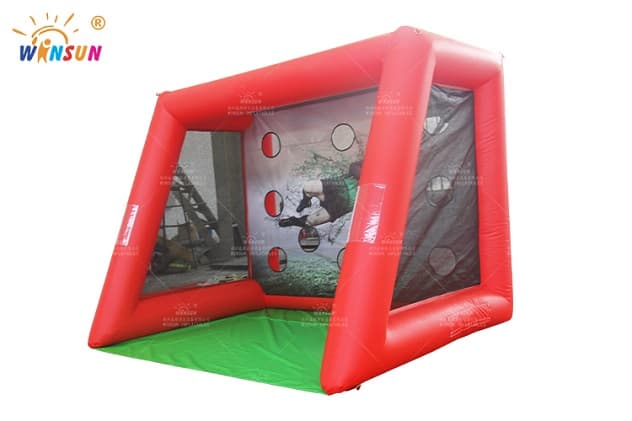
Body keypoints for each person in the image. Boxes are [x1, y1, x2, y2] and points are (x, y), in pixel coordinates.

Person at [279, 160, 362, 228]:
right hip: (342, 185)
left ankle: (294, 221)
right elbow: (353, 166)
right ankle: (306, 201)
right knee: (308, 187)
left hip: (346, 204)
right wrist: (363, 176)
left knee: (311, 221)